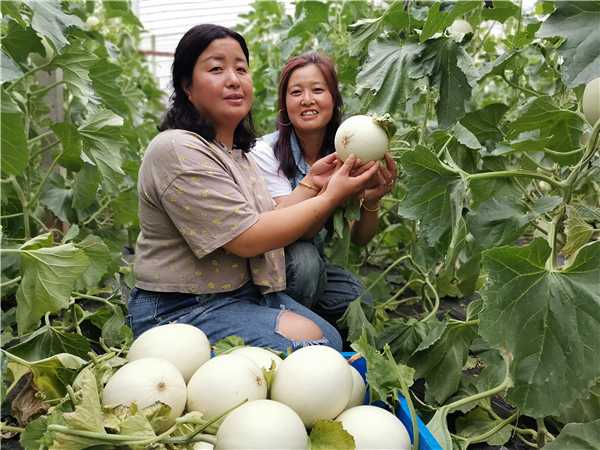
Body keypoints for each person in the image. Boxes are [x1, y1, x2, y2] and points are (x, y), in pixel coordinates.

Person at [127, 25, 380, 353]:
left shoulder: (234, 153)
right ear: (187, 86)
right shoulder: (177, 149)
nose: (233, 79)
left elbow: (268, 216)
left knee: (325, 339)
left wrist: (311, 184)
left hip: (236, 294)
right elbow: (247, 239)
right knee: (318, 343)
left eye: (241, 68)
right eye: (217, 68)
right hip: (180, 309)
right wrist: (330, 195)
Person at [250, 52, 397, 327]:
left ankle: (311, 324)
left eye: (318, 90)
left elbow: (359, 238)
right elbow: (295, 230)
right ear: (284, 104)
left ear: (333, 99)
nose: (307, 99)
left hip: (313, 269)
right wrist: (331, 194)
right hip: (269, 268)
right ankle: (280, 329)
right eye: (296, 92)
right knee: (305, 260)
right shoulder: (265, 152)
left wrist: (371, 201)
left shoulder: (348, 151)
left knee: (357, 301)